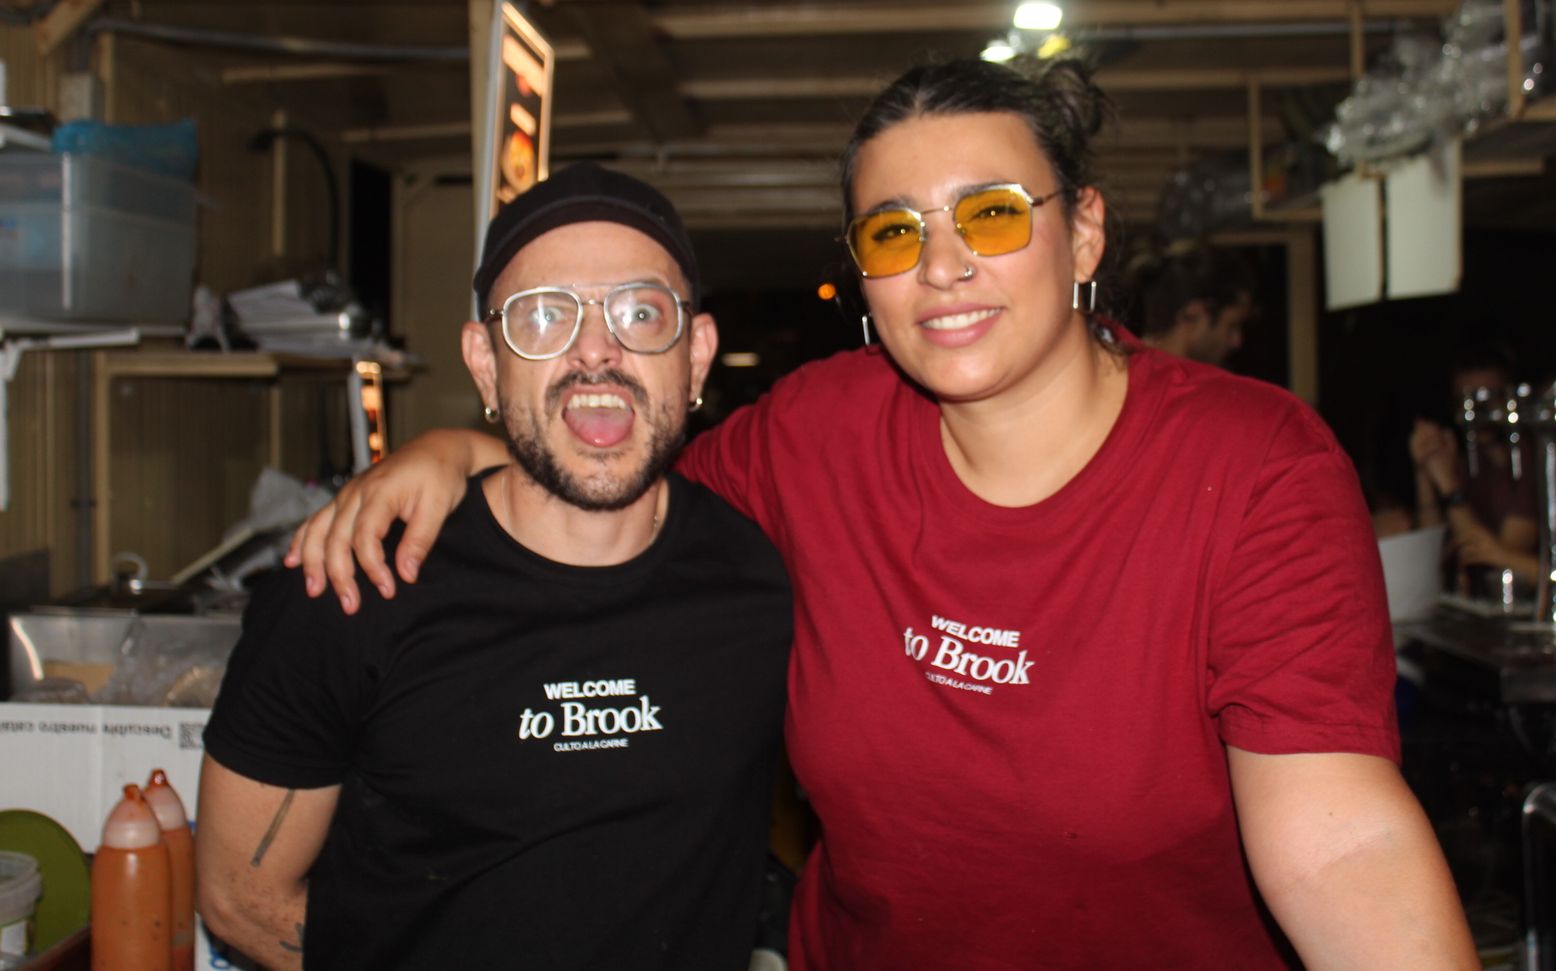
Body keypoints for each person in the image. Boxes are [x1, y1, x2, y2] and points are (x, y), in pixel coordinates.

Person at [290, 58, 1479, 969]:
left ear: (1083, 233)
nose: (942, 264)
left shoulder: (1252, 464)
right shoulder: (820, 431)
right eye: (896, 231)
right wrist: (458, 447)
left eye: (993, 214)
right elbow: (628, 482)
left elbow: (1340, 840)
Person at [194, 164, 793, 969]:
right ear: (484, 362)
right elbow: (239, 898)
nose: (595, 351)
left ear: (696, 355)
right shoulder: (353, 588)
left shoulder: (761, 583)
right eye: (543, 316)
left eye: (640, 312)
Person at [1410, 346, 1540, 585]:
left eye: (1488, 399)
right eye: (1466, 401)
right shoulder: (1468, 459)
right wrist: (1425, 472)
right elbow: (1431, 559)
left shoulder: (1529, 460)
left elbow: (1495, 564)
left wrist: (1448, 485)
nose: (1477, 412)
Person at [1127, 241, 1255, 365]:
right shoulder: (1133, 371)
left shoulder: (1126, 367)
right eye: (1232, 325)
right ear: (1194, 314)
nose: (1237, 341)